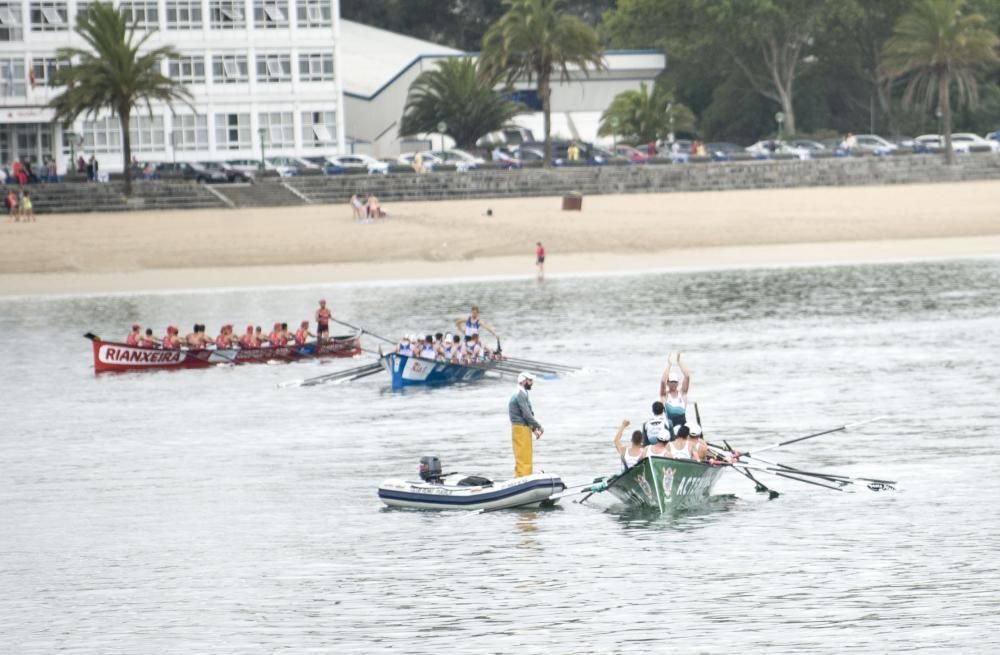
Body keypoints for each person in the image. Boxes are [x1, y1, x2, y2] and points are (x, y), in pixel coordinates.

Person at [509, 372, 543, 477]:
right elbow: (527, 414)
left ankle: (524, 475)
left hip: (523, 427)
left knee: (526, 455)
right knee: (523, 456)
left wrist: (533, 429)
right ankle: (522, 477)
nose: (532, 383)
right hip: (520, 428)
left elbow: (526, 414)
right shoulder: (520, 394)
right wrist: (538, 426)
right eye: (530, 380)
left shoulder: (522, 392)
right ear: (523, 381)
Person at [659, 352, 691, 429]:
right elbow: (663, 381)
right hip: (670, 424)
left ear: (677, 383)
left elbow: (687, 376)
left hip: (682, 423)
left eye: (675, 382)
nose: (673, 384)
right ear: (668, 383)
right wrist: (669, 364)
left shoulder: (682, 393)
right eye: (671, 382)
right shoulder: (665, 395)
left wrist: (679, 361)